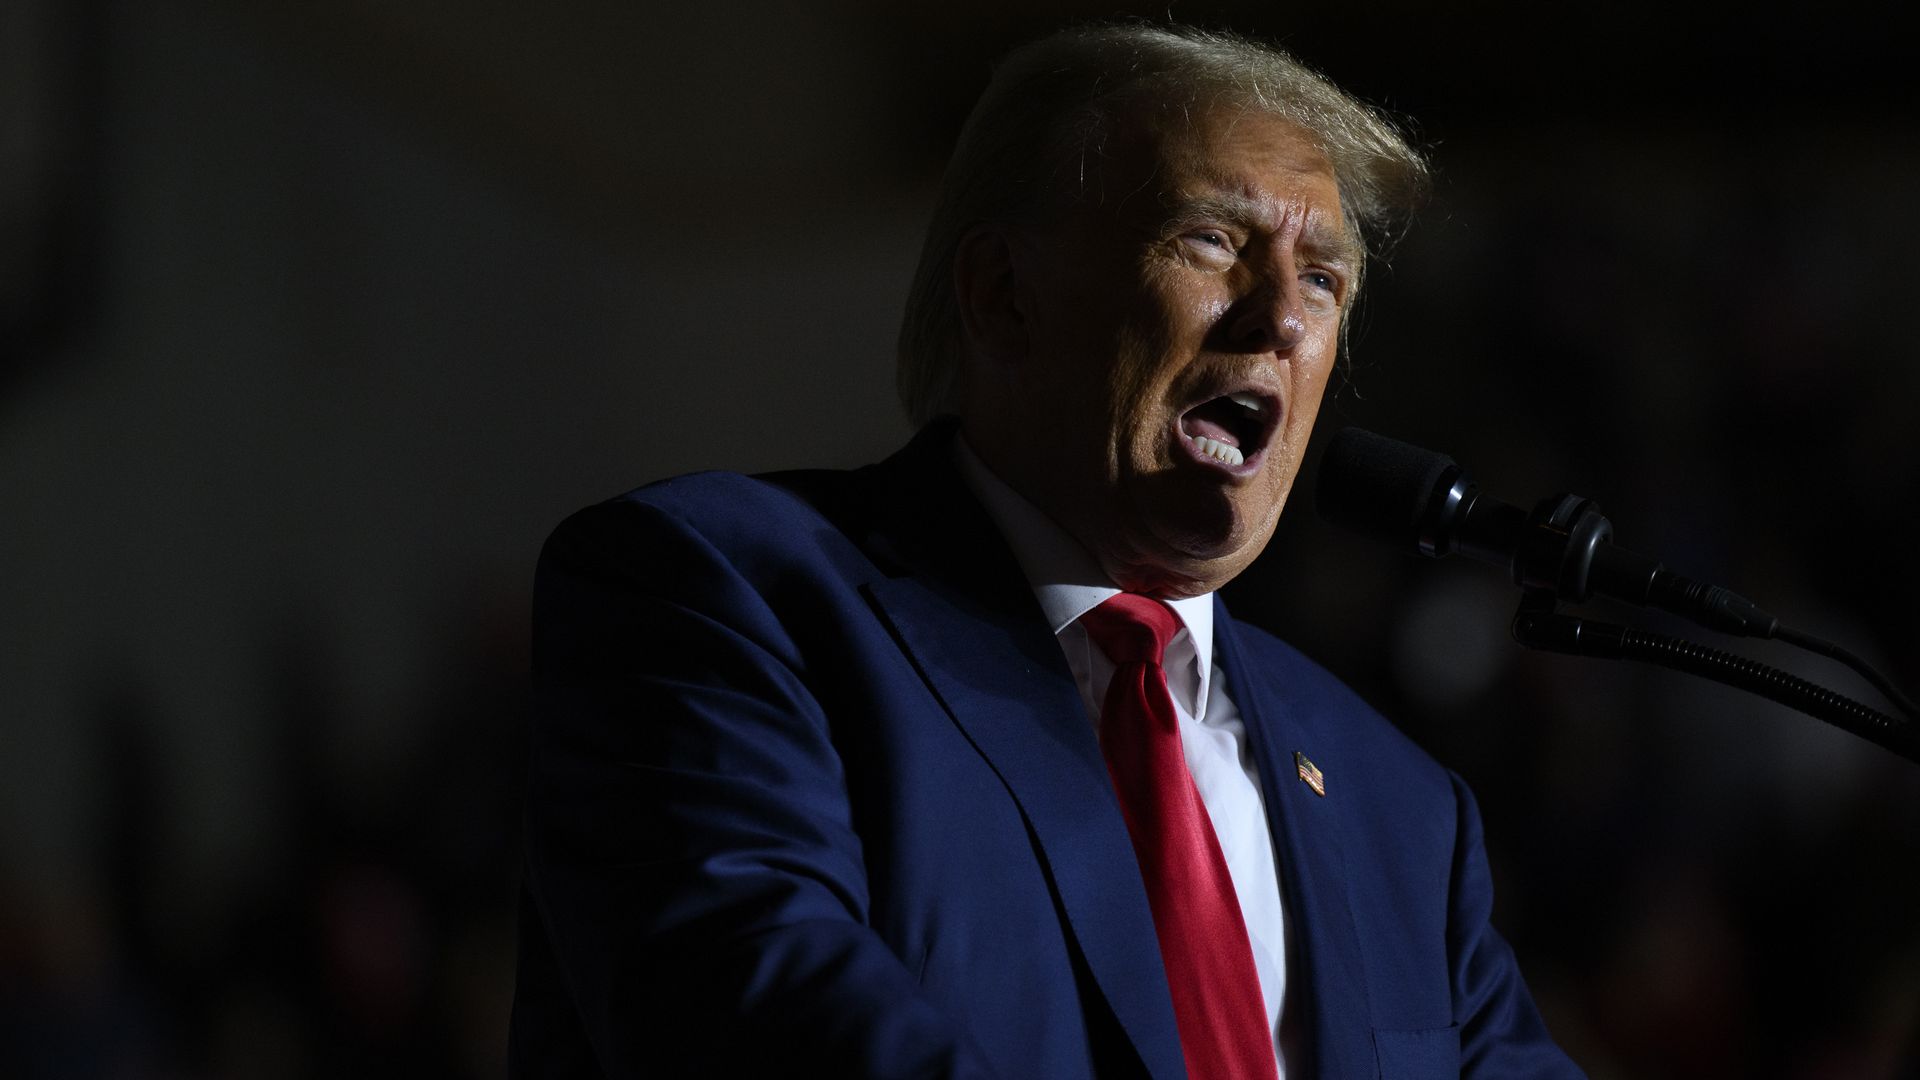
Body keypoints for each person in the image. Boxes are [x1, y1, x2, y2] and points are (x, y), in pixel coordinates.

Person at [508, 22, 1583, 1080]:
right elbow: (760, 1016)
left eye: (1323, 281)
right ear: (1001, 296)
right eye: (1212, 239)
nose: (1282, 322)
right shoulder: (725, 597)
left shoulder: (1399, 810)